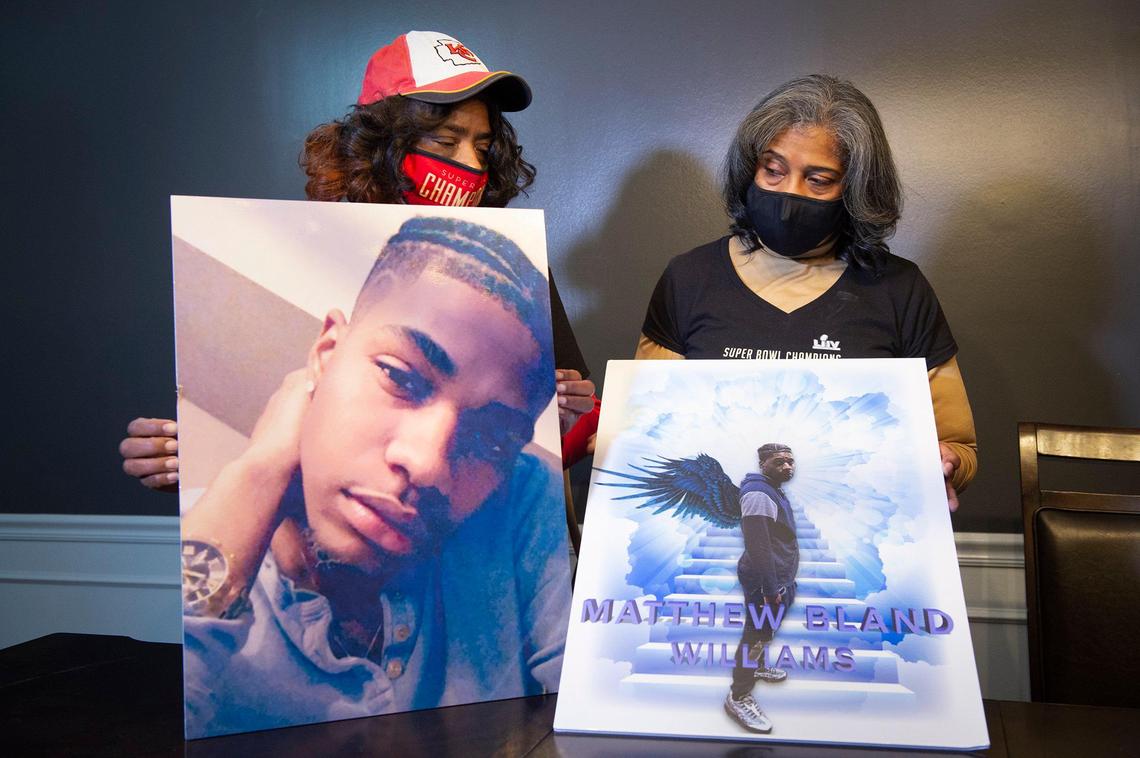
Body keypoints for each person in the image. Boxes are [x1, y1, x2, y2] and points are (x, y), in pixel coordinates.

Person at [120, 31, 595, 489]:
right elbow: (241, 426)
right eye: (445, 142)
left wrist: (561, 423)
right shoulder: (299, 258)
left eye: (483, 146)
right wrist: (182, 458)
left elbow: (568, 443)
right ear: (383, 142)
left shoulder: (514, 267)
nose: (471, 164)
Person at [180, 215, 569, 738]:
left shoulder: (522, 502)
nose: (429, 465)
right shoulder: (202, 532)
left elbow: (611, 715)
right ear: (325, 355)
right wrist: (256, 471)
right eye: (400, 377)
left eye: (494, 440)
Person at [636, 74, 977, 511]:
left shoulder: (900, 289)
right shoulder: (689, 278)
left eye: (818, 180)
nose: (789, 193)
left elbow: (959, 447)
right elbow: (645, 432)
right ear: (750, 169)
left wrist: (946, 461)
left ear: (854, 190)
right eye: (773, 170)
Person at [724, 443, 799, 733]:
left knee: (764, 631)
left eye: (791, 462)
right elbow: (758, 546)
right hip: (765, 581)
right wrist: (770, 590)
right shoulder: (758, 494)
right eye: (780, 462)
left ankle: (755, 667)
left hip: (777, 578)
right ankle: (739, 695)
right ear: (763, 464)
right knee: (755, 636)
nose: (788, 467)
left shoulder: (772, 488)